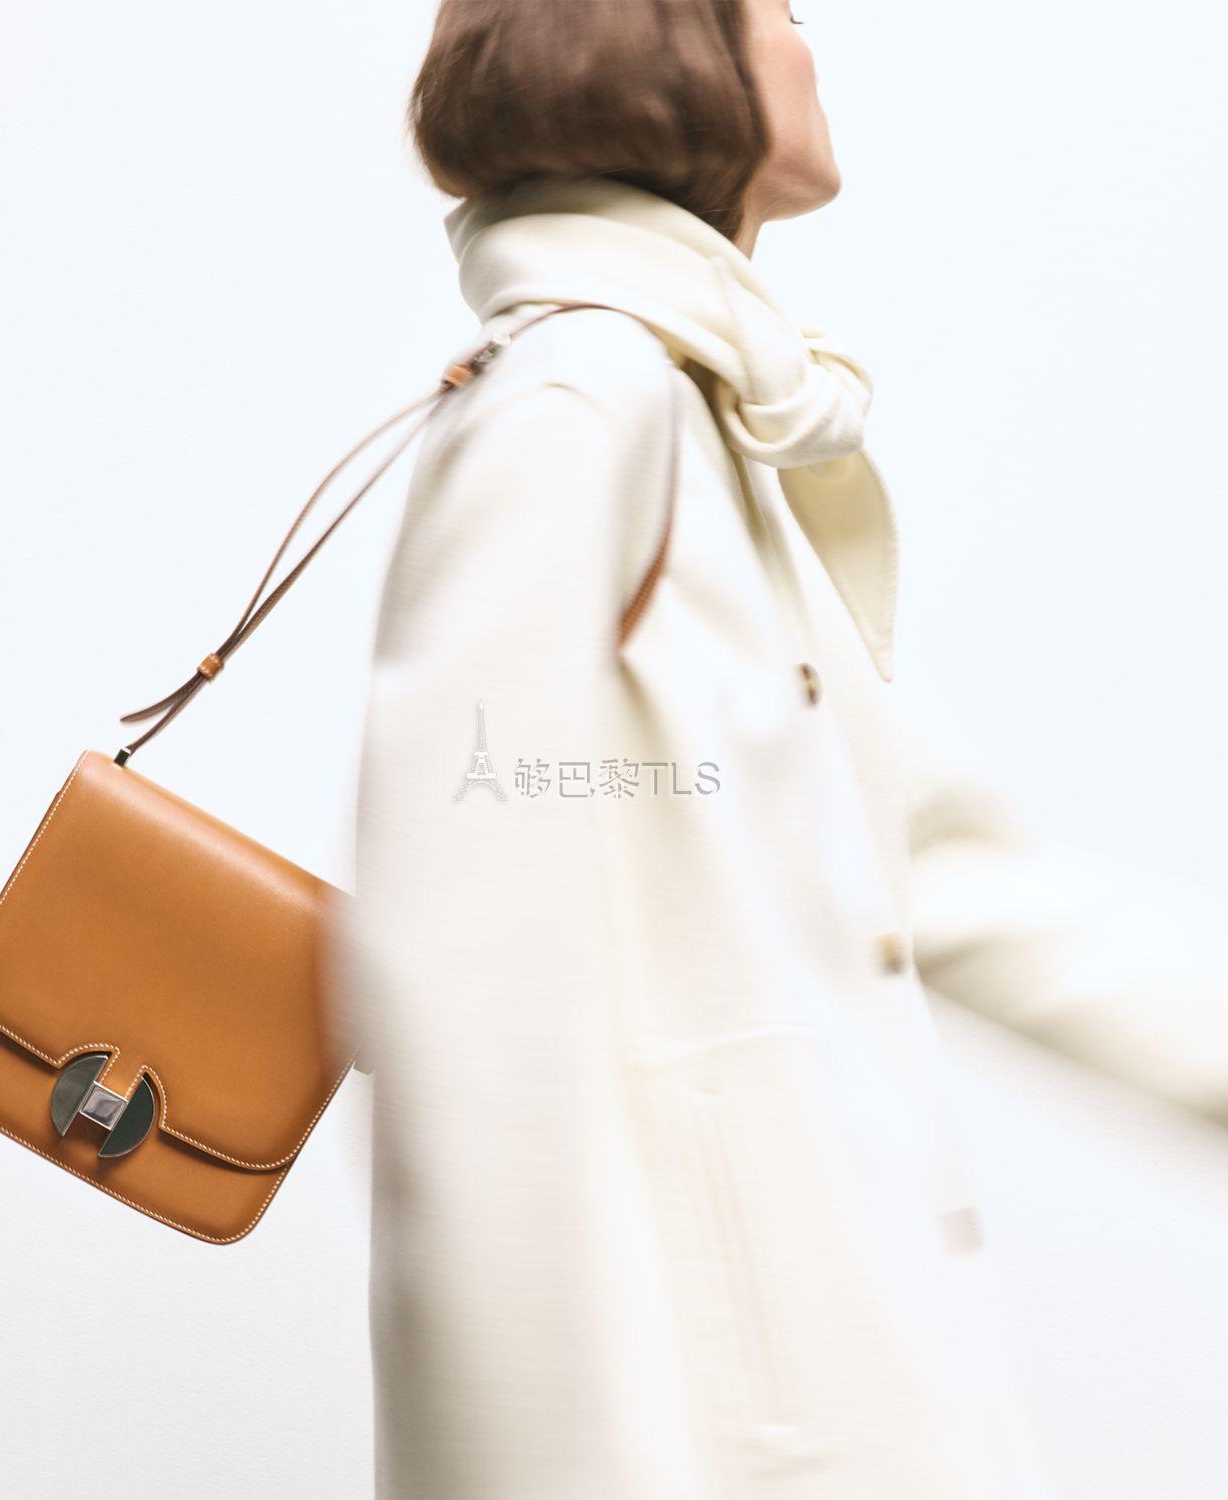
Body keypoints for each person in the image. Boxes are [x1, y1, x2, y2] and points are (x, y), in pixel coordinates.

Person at [336, 2, 1066, 1494]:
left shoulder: (688, 403)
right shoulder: (581, 400)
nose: (811, 43)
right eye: (783, 9)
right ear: (664, 44)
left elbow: (943, 884)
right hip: (718, 1432)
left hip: (833, 1371)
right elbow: (462, 999)